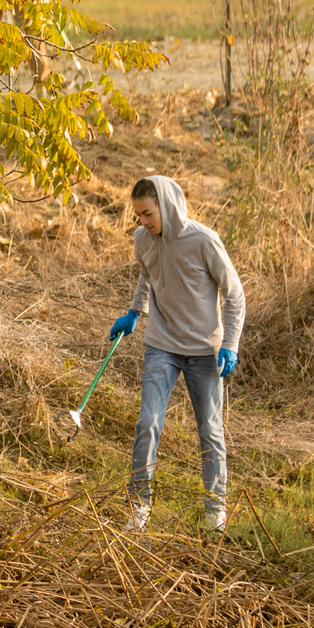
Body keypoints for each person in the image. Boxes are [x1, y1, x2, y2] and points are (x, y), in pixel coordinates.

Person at [106, 176, 245, 534]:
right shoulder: (143, 239)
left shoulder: (203, 241)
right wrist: (135, 312)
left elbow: (235, 295)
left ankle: (215, 509)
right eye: (137, 215)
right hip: (162, 343)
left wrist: (230, 343)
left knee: (210, 431)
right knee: (147, 423)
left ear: (166, 206)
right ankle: (140, 506)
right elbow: (146, 274)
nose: (142, 222)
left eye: (148, 214)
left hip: (204, 350)